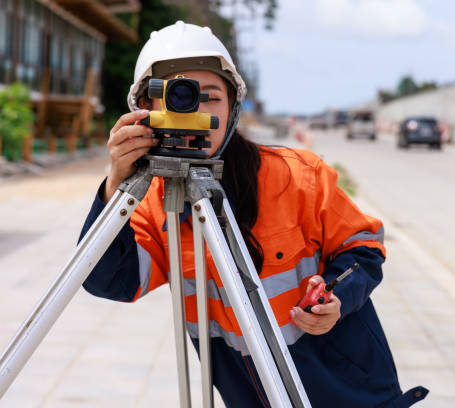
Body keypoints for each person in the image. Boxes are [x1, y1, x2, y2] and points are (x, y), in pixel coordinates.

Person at [79, 21, 428, 407]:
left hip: (344, 392)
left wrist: (336, 296)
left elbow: (362, 249)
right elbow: (107, 281)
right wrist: (117, 183)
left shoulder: (299, 175)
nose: (195, 110)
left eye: (209, 97)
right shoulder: (156, 204)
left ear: (233, 107)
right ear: (144, 110)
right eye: (177, 97)